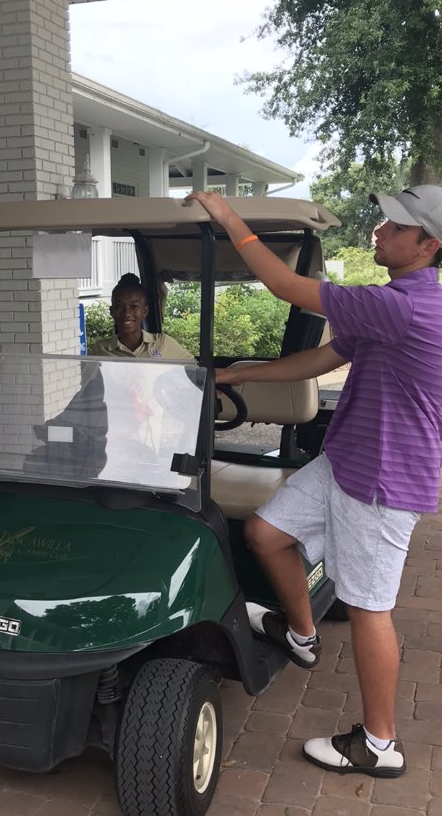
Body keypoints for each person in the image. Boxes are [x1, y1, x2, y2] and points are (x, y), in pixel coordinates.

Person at [186, 185, 442, 778]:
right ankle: (301, 633)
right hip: (346, 459)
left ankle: (379, 745)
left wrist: (228, 216)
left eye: (395, 227)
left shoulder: (402, 307)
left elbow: (284, 287)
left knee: (368, 609)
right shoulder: (394, 302)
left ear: (428, 245)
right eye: (384, 221)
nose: (380, 230)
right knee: (267, 533)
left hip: (382, 481)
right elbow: (321, 361)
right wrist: (236, 373)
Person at [89, 273, 194, 360]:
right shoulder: (101, 349)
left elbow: (194, 370)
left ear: (144, 311)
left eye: (134, 306)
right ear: (112, 311)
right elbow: (89, 382)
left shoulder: (162, 343)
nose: (127, 313)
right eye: (119, 306)